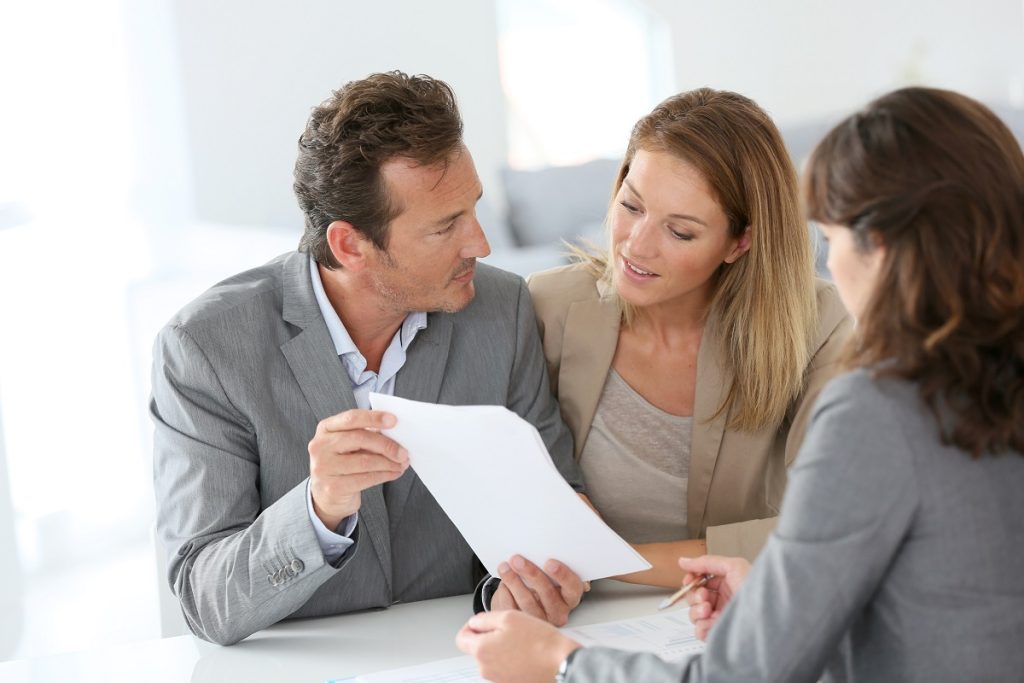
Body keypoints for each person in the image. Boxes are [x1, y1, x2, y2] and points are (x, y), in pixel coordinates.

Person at [456, 86, 1024, 682]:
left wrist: (562, 664)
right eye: (631, 205)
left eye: (831, 239)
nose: (640, 244)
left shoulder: (879, 407)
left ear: (878, 248)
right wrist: (779, 599)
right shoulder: (975, 386)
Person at [150, 71, 589, 646]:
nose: (480, 244)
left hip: (466, 657)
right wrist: (319, 508)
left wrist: (518, 588)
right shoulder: (205, 349)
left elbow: (552, 512)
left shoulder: (501, 309)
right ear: (350, 245)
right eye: (445, 226)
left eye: (473, 209)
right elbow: (205, 601)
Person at [525, 88, 851, 588]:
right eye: (631, 206)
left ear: (740, 242)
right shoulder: (548, 307)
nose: (636, 245)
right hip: (579, 621)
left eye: (680, 232)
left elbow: (834, 529)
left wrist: (605, 562)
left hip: (738, 620)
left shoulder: (819, 325)